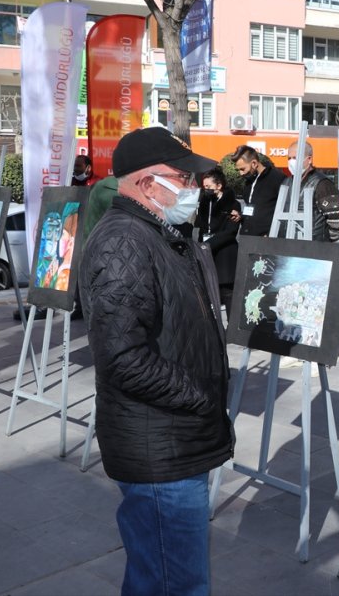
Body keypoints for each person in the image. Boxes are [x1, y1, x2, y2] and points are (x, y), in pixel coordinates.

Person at [79, 127, 234, 596]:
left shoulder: (160, 233)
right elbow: (122, 357)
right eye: (184, 178)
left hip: (174, 438)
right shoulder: (124, 241)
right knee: (176, 583)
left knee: (159, 577)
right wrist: (199, 396)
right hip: (160, 447)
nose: (194, 188)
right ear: (148, 184)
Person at [282, 141, 339, 242]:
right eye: (289, 158)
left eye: (295, 158)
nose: (291, 161)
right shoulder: (286, 183)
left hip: (314, 245)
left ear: (309, 159)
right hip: (289, 244)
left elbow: (337, 221)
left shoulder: (322, 184)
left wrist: (323, 241)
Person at [195, 167, 240, 307]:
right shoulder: (205, 202)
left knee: (227, 294)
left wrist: (208, 244)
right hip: (207, 252)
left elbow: (230, 231)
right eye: (204, 187)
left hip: (224, 254)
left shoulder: (233, 204)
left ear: (219, 186)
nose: (206, 189)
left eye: (208, 186)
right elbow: (201, 226)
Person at [231, 145, 286, 237]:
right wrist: (241, 215)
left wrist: (271, 234)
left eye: (243, 169)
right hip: (247, 237)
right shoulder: (249, 182)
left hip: (266, 239)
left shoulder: (277, 178)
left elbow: (285, 210)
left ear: (254, 163)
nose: (241, 173)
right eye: (239, 170)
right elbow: (254, 209)